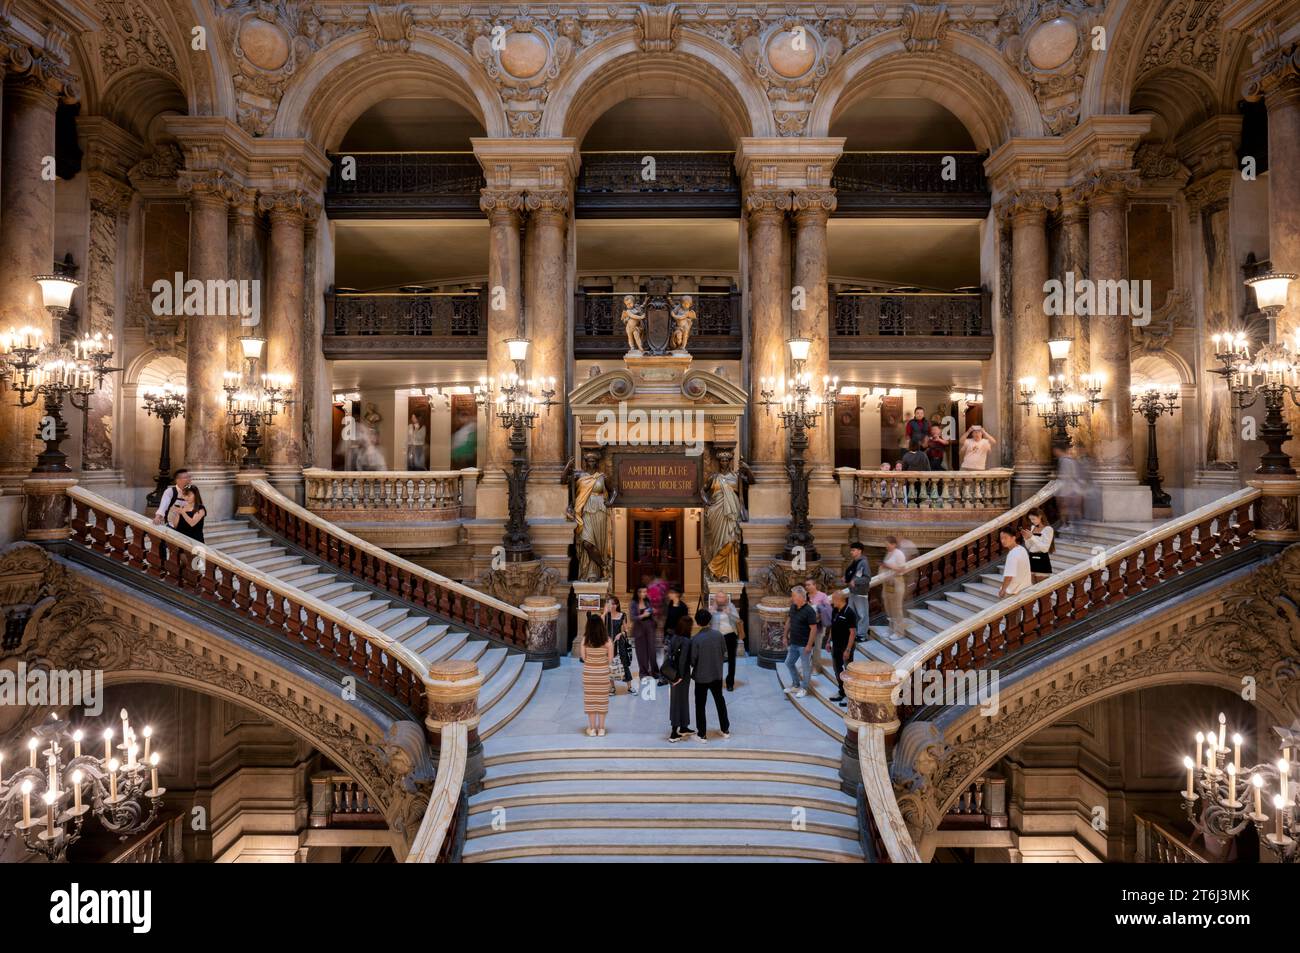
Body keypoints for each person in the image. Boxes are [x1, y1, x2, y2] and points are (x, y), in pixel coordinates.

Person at [688, 608, 730, 742]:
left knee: (700, 705)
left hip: (701, 677)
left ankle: (702, 734)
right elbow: (724, 653)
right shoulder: (719, 635)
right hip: (717, 674)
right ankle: (725, 729)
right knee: (720, 701)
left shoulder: (696, 639)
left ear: (697, 622)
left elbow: (692, 660)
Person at [782, 586, 819, 699]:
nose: (792, 598)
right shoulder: (793, 607)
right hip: (794, 642)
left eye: (793, 596)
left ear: (800, 597)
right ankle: (796, 685)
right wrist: (784, 636)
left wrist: (809, 645)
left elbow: (814, 629)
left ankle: (804, 689)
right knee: (789, 663)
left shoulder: (809, 611)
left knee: (806, 667)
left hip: (804, 645)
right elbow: (789, 622)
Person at [580, 615, 614, 737]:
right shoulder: (608, 641)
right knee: (602, 701)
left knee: (591, 701)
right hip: (603, 674)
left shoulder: (585, 640)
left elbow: (583, 658)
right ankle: (602, 729)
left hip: (589, 674)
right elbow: (610, 660)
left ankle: (592, 729)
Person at [665, 616, 694, 742]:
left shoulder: (674, 637)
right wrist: (680, 677)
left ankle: (683, 727)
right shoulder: (686, 641)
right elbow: (683, 661)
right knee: (678, 702)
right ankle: (673, 733)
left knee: (680, 700)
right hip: (681, 676)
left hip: (673, 673)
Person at [827, 590, 858, 705]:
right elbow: (832, 627)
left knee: (848, 672)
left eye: (833, 599)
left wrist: (848, 649)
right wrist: (828, 641)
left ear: (839, 600)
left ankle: (849, 696)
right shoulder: (835, 610)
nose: (831, 601)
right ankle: (842, 692)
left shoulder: (849, 613)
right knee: (837, 670)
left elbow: (853, 633)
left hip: (845, 647)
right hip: (836, 646)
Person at [710, 591, 741, 691]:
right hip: (716, 637)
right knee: (716, 660)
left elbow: (738, 620)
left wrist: (730, 613)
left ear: (725, 599)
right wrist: (710, 613)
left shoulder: (730, 606)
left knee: (732, 660)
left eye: (723, 597)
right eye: (719, 597)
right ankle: (716, 681)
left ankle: (730, 683)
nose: (721, 599)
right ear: (716, 598)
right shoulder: (712, 607)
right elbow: (706, 622)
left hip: (730, 635)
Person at [881, 536, 909, 640]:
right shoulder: (889, 553)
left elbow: (902, 569)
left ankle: (899, 632)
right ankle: (891, 629)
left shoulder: (899, 554)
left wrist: (888, 566)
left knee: (897, 608)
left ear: (894, 544)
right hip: (887, 583)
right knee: (888, 607)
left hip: (897, 582)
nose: (886, 547)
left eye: (887, 545)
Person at [603, 597, 633, 695]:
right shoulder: (606, 616)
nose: (613, 606)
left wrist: (621, 633)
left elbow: (626, 630)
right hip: (608, 644)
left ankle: (629, 687)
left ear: (618, 605)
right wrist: (604, 612)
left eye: (615, 604)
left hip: (619, 642)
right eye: (611, 604)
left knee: (624, 663)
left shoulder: (622, 615)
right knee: (610, 665)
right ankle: (612, 687)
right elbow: (600, 626)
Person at [630, 585, 659, 684]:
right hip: (639, 630)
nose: (644, 594)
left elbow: (652, 613)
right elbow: (632, 617)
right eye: (641, 592)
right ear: (637, 593)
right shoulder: (633, 603)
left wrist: (653, 612)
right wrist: (643, 615)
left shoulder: (648, 601)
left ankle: (655, 672)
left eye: (645, 592)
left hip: (650, 628)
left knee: (652, 651)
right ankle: (643, 673)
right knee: (641, 653)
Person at [805, 577, 832, 676]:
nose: (807, 587)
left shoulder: (822, 596)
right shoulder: (805, 596)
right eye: (806, 585)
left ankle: (816, 667)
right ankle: (807, 666)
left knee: (816, 647)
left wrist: (818, 612)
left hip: (819, 625)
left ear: (814, 585)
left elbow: (828, 609)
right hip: (806, 626)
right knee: (806, 646)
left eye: (809, 585)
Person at [998, 526, 1033, 599]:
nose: (1003, 541)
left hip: (1013, 592)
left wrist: (1003, 590)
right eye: (1001, 538)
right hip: (1024, 588)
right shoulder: (1022, 549)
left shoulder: (1012, 555)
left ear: (1013, 538)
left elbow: (1009, 576)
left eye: (1005, 538)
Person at [1021, 507, 1055, 579]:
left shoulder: (1048, 529)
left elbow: (1045, 549)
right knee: (1032, 587)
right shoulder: (1033, 527)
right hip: (1032, 558)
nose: (1032, 521)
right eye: (1030, 519)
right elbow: (1029, 547)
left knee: (1042, 587)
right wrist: (1026, 539)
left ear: (1040, 516)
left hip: (1042, 560)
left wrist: (1032, 537)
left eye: (1033, 519)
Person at [843, 540, 872, 624]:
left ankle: (862, 635)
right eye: (851, 550)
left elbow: (867, 578)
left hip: (860, 593)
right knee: (852, 615)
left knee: (862, 616)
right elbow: (854, 574)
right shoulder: (855, 561)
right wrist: (846, 578)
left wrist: (855, 581)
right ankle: (854, 634)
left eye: (853, 550)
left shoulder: (864, 563)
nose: (851, 552)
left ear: (859, 551)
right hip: (853, 592)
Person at [663, 587, 689, 660]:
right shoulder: (670, 604)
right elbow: (667, 620)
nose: (669, 594)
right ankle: (666, 671)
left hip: (678, 636)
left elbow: (685, 623)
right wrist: (664, 634)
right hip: (668, 635)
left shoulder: (683, 607)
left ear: (677, 594)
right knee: (666, 657)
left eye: (671, 593)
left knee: (677, 656)